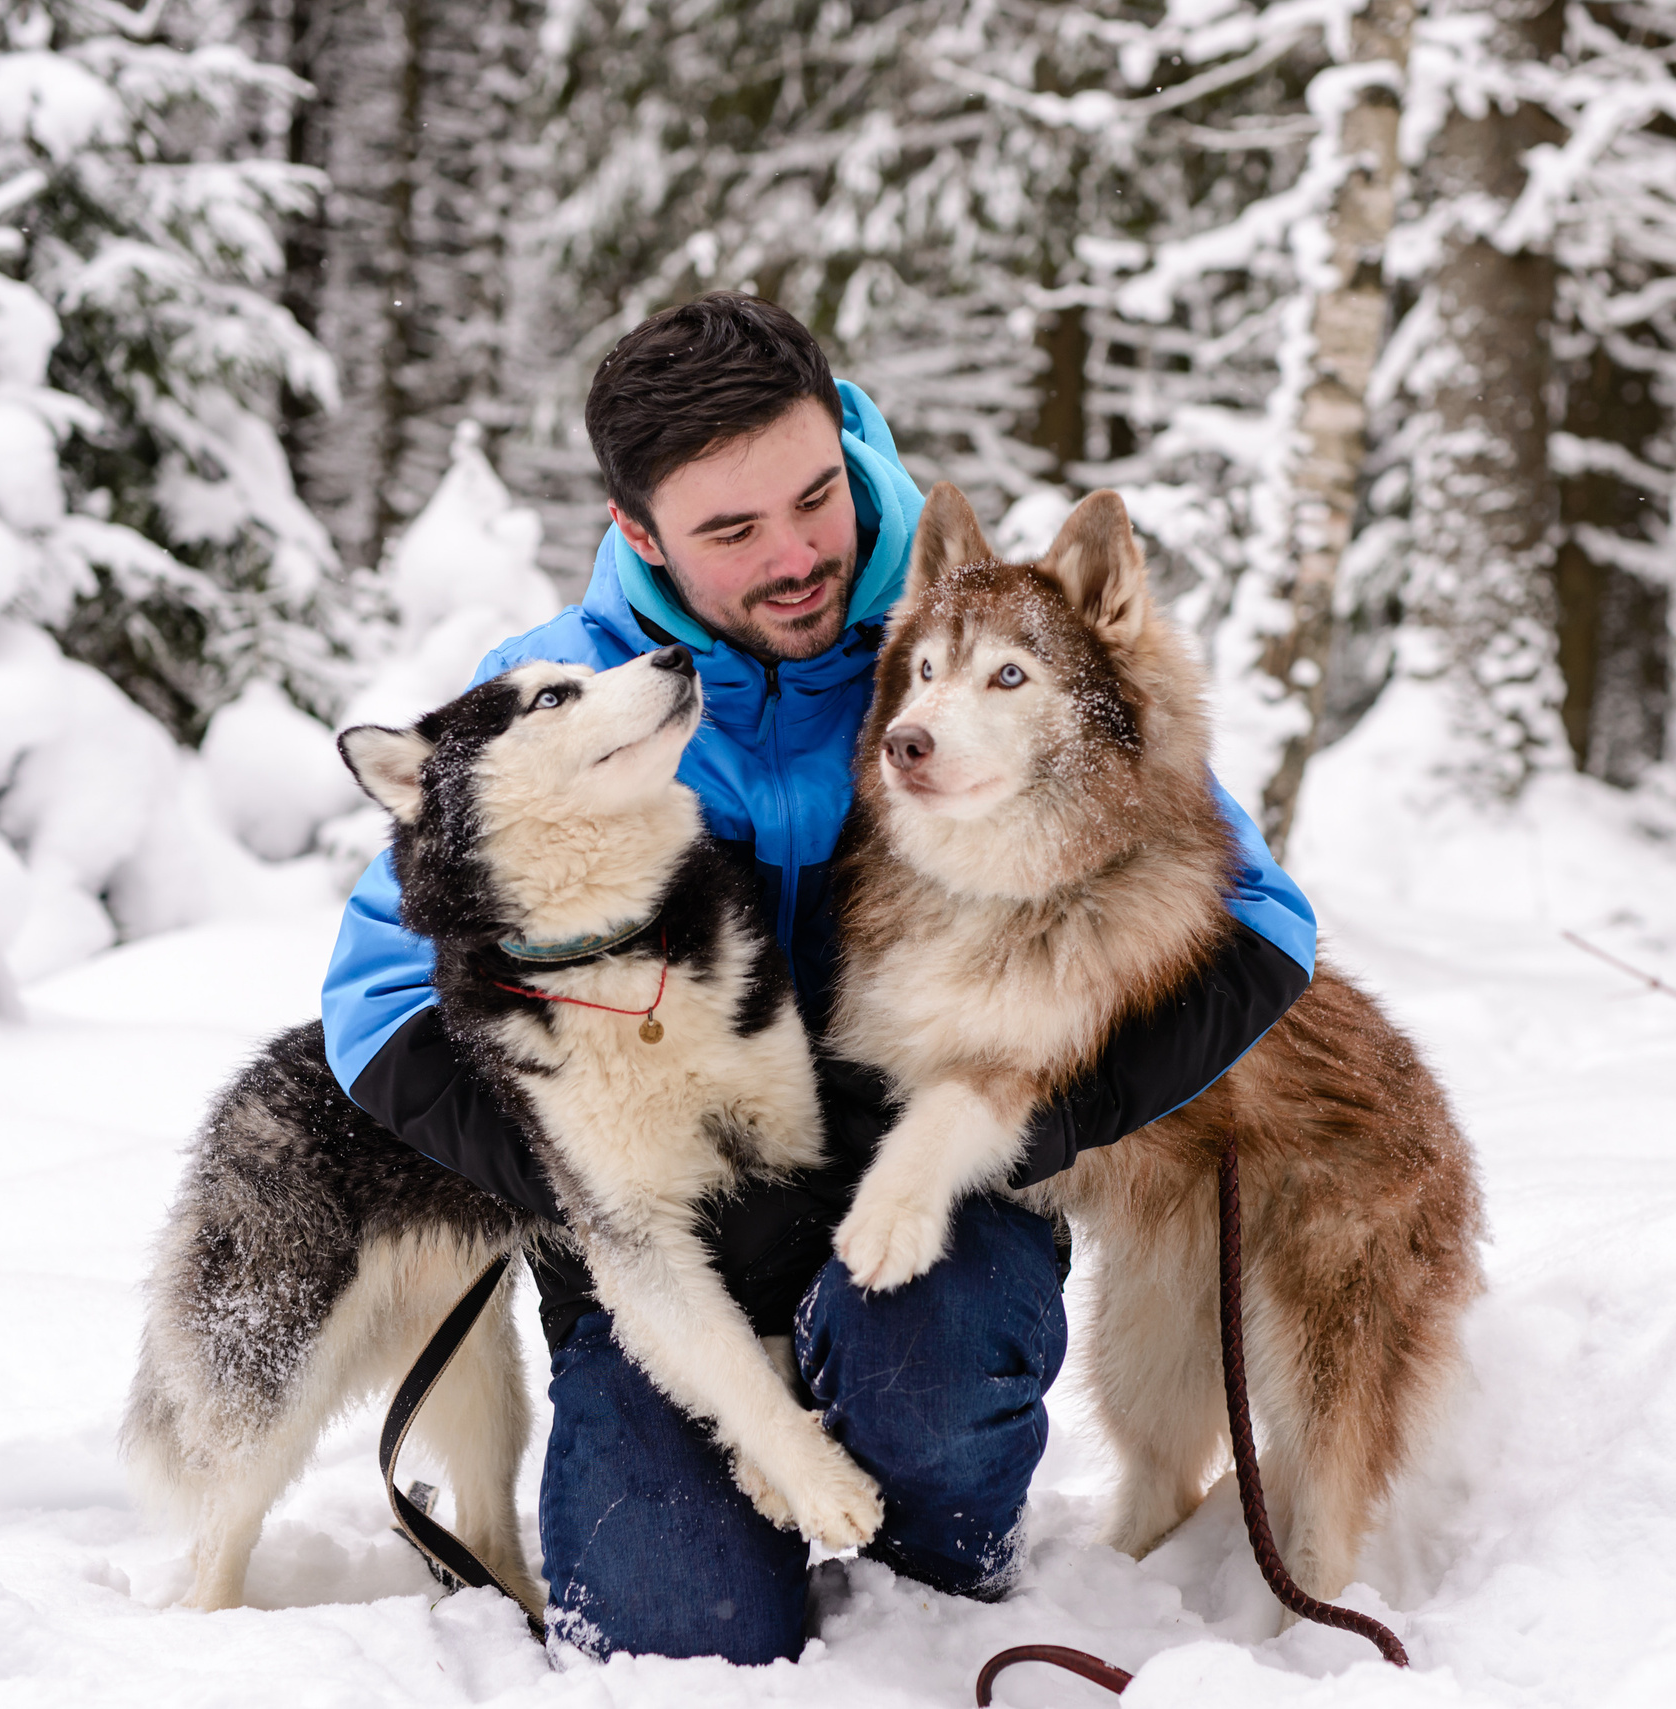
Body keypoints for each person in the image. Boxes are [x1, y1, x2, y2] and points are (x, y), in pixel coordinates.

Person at [320, 292, 1318, 1663]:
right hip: (669, 1236)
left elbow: (1262, 921)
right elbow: (374, 1007)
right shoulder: (566, 695)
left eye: (816, 496)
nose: (798, 557)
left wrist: (1038, 1114)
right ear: (639, 533)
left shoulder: (971, 636)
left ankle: (930, 1609)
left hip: (932, 1174)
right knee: (677, 1636)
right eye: (732, 532)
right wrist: (597, 1184)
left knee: (934, 1380)